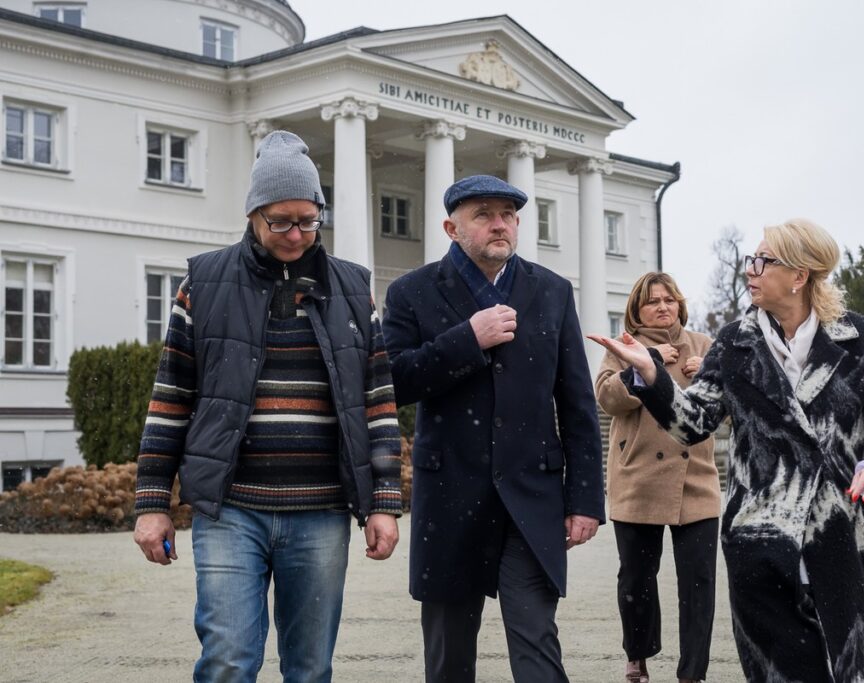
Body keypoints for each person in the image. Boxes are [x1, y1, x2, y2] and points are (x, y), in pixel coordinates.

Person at [589, 218, 864, 682]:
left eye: (763, 261)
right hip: (759, 535)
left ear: (799, 275)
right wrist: (652, 377)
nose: (751, 270)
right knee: (776, 669)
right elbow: (693, 423)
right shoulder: (734, 341)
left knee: (849, 665)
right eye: (751, 260)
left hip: (838, 528)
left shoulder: (857, 336)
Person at [132, 130, 403, 683]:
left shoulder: (354, 288)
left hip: (323, 512)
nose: (296, 234)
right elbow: (171, 400)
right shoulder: (202, 284)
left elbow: (377, 405)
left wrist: (385, 502)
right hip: (231, 509)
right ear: (254, 214)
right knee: (229, 660)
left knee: (309, 667)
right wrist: (151, 501)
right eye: (280, 221)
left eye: (308, 220)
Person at [382, 175, 605, 683]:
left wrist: (586, 500)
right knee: (448, 659)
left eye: (508, 213)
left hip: (531, 498)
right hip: (449, 500)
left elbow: (576, 402)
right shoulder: (411, 292)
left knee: (537, 648)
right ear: (451, 227)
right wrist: (467, 340)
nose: (500, 223)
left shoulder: (550, 290)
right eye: (484, 214)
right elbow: (392, 383)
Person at [595, 272, 719, 683]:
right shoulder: (624, 347)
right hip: (638, 476)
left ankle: (692, 673)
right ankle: (638, 657)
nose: (663, 307)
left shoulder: (704, 345)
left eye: (669, 299)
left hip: (696, 479)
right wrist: (641, 367)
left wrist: (711, 377)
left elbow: (731, 406)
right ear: (637, 309)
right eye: (653, 301)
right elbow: (607, 400)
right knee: (636, 577)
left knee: (699, 580)